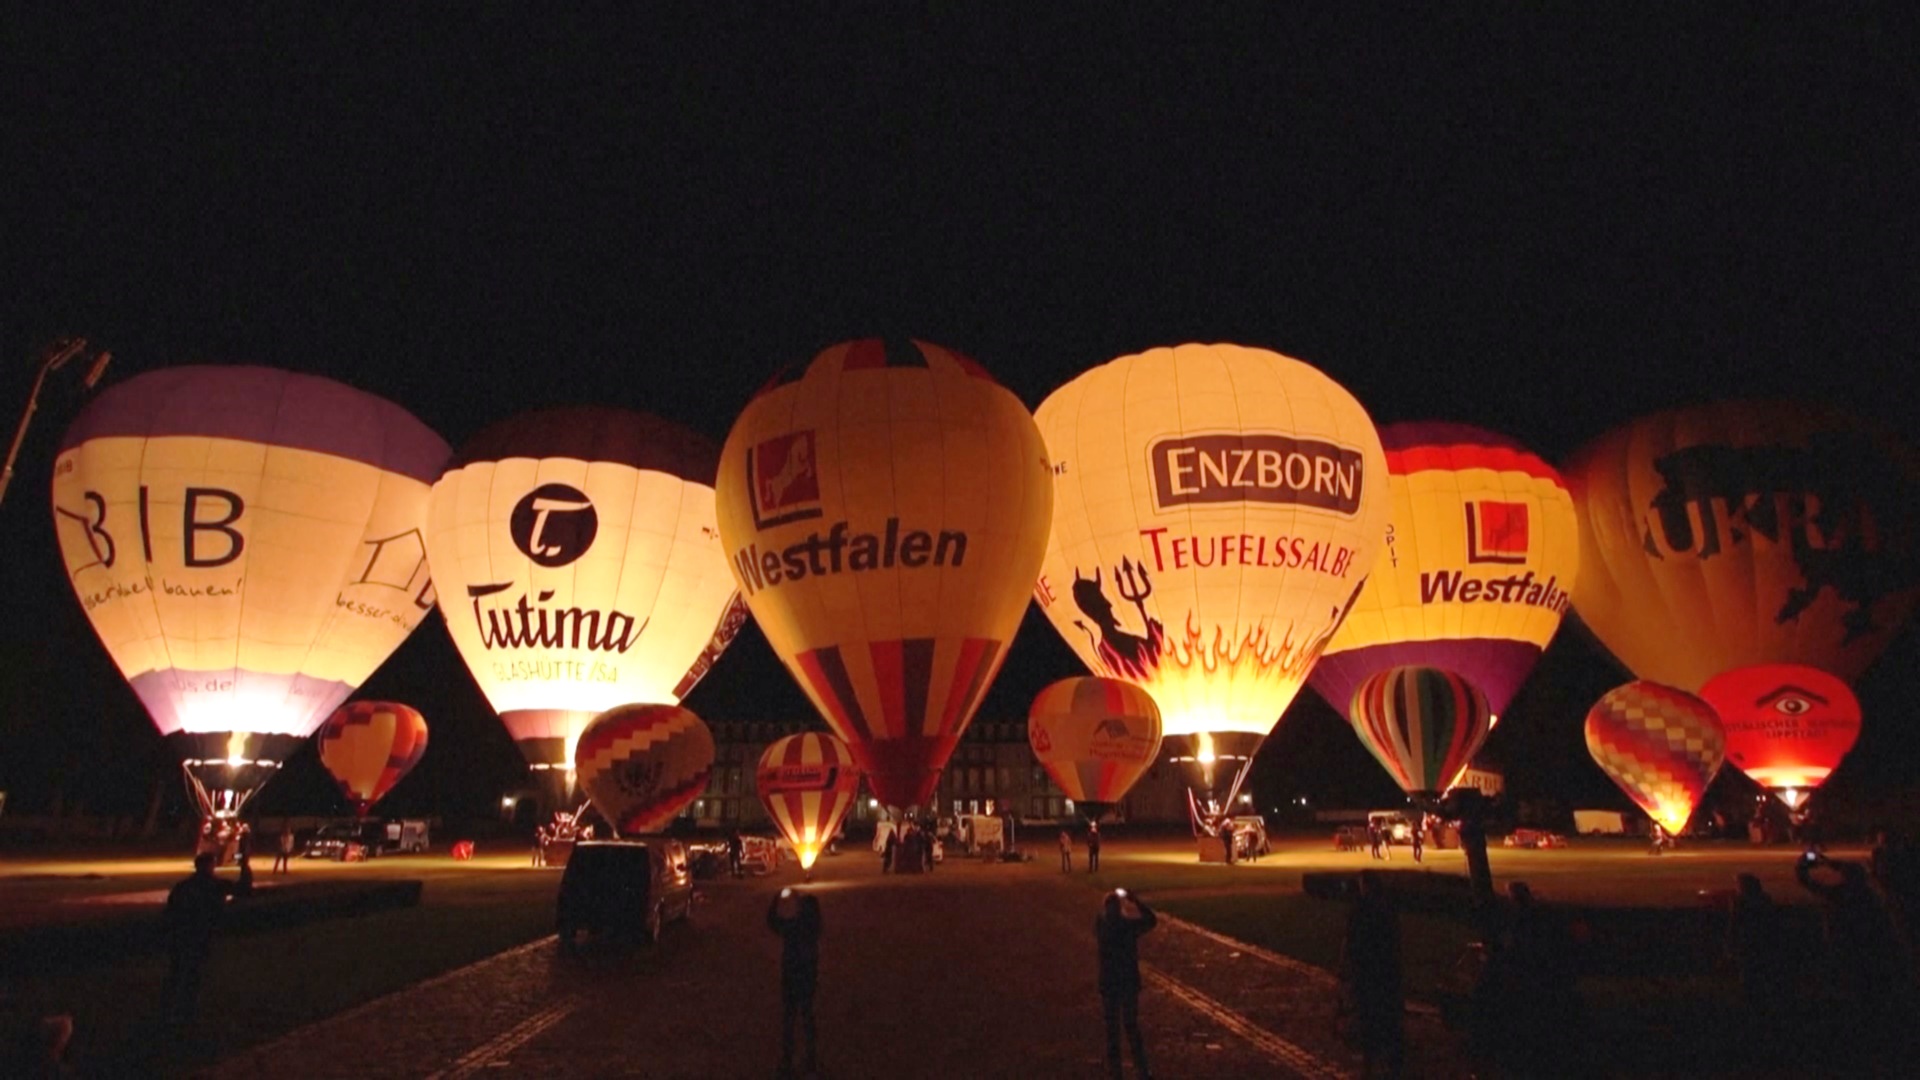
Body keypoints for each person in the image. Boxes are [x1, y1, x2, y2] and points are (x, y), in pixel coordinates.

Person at [1796, 851, 1918, 1068]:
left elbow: (1808, 882)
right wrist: (1830, 862)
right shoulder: (1870, 894)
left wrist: (1804, 866)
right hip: (1870, 953)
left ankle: (1859, 1043)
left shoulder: (1840, 894)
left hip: (1849, 951)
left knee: (1855, 993)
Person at [1342, 870, 1404, 1078]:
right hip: (1386, 970)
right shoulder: (1387, 909)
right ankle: (1391, 1062)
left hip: (1367, 971)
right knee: (1387, 1016)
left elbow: (1350, 942)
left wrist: (1346, 969)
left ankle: (1370, 1064)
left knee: (1368, 1017)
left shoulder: (1360, 910)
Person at [160, 853, 235, 1027]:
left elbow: (170, 911)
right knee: (193, 974)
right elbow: (244, 888)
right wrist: (245, 865)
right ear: (209, 866)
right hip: (200, 934)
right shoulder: (214, 885)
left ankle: (168, 1010)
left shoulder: (183, 886)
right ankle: (186, 1012)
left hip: (180, 935)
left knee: (176, 973)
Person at [1726, 873, 1791, 1052]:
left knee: (1750, 980)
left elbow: (1735, 925)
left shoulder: (1742, 903)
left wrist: (1730, 946)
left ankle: (1752, 1018)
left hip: (1750, 947)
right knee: (1764, 979)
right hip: (1765, 947)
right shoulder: (1766, 900)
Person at [1095, 890, 1157, 1079]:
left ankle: (1116, 1072)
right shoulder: (1127, 926)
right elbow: (1151, 920)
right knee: (1131, 1027)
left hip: (1109, 983)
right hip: (1128, 982)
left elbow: (1098, 920)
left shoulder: (1102, 927)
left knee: (1112, 1030)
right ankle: (1142, 1069)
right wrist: (1134, 900)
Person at [768, 891, 822, 1078]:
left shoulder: (793, 928)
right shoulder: (813, 930)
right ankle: (811, 1059)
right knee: (807, 1019)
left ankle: (788, 1060)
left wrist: (776, 900)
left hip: (791, 979)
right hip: (807, 980)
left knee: (790, 1021)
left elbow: (773, 923)